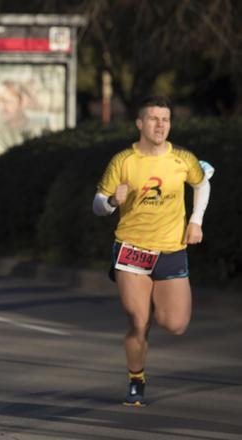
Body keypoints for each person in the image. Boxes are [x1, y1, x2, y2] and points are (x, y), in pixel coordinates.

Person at [93, 95, 212, 407]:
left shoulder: (183, 159)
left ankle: (160, 300)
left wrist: (196, 221)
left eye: (165, 119)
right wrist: (112, 202)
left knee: (176, 324)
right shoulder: (123, 161)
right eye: (154, 119)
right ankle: (136, 378)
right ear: (140, 124)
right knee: (137, 320)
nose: (161, 125)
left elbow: (202, 184)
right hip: (132, 250)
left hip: (172, 250)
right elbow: (98, 204)